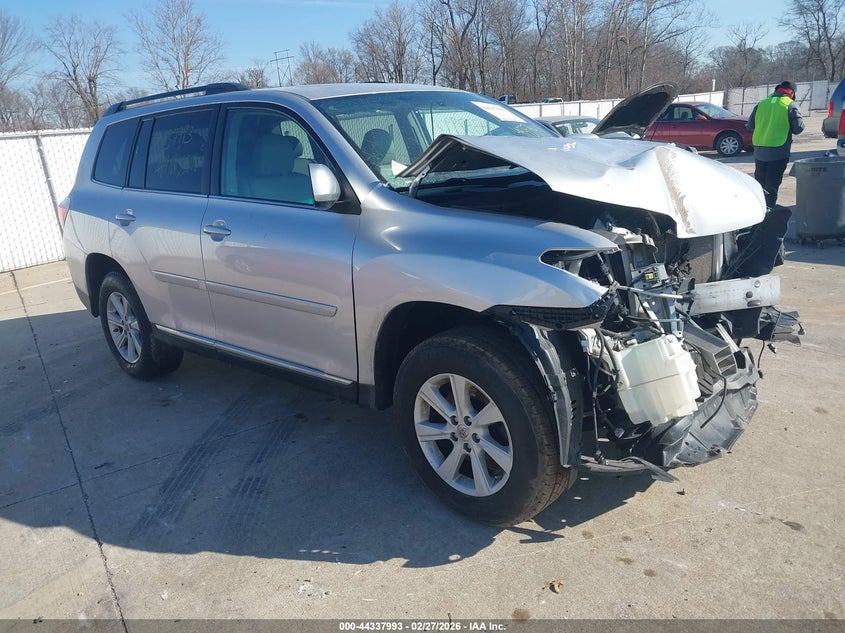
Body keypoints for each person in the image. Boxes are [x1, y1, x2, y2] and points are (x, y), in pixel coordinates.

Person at [746, 81, 805, 209]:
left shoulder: (761, 104)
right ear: (792, 93)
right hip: (778, 151)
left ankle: (757, 210)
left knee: (760, 184)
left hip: (759, 150)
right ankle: (768, 213)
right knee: (772, 186)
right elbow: (798, 129)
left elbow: (750, 126)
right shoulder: (790, 105)